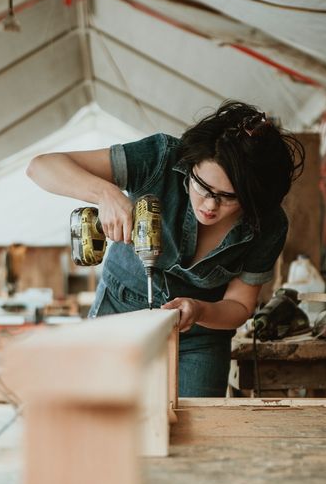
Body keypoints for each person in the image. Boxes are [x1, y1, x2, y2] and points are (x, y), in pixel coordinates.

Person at [26, 100, 305, 397]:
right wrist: (105, 193)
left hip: (199, 338)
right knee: (103, 420)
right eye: (202, 187)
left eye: (229, 197)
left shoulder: (268, 224)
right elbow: (41, 167)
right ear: (190, 164)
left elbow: (239, 306)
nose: (210, 205)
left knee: (194, 433)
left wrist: (199, 310)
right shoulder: (160, 158)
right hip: (119, 313)